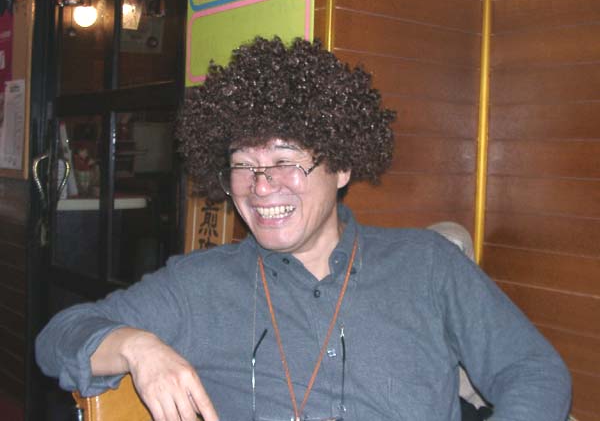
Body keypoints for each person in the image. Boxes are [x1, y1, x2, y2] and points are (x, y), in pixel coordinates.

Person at [36, 37, 572, 421]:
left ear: (341, 166)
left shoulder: (427, 263)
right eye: (243, 164)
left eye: (286, 160)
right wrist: (137, 347)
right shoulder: (198, 285)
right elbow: (57, 339)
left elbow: (535, 372)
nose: (260, 185)